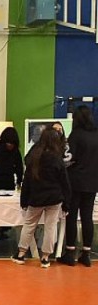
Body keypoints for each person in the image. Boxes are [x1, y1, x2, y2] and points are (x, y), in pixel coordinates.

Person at [11, 127, 70, 268]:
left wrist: (23, 201)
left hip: (36, 198)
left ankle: (21, 254)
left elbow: (27, 182)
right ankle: (45, 258)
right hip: (54, 199)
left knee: (29, 225)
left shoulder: (34, 158)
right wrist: (66, 203)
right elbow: (65, 183)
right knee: (50, 227)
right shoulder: (58, 160)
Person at [59, 106, 98, 267]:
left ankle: (70, 252)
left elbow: (67, 158)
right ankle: (86, 253)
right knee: (87, 217)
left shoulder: (76, 135)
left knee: (72, 216)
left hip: (75, 182)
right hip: (93, 181)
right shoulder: (96, 135)